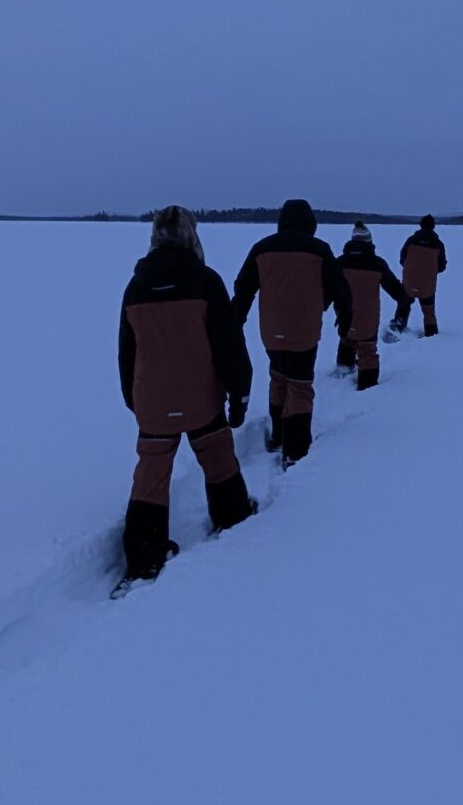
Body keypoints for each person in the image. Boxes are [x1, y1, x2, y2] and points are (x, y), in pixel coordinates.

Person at [118, 206, 255, 582]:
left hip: (153, 402)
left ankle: (143, 555)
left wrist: (135, 401)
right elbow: (230, 345)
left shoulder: (136, 287)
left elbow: (126, 353)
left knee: (151, 472)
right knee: (218, 457)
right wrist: (239, 394)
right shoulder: (207, 282)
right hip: (202, 401)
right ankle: (233, 520)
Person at [231, 198, 353, 464]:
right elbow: (341, 289)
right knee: (300, 386)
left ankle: (278, 436)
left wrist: (235, 322)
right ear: (310, 223)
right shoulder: (319, 250)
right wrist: (343, 319)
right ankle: (295, 451)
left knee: (279, 377)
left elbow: (243, 289)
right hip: (304, 331)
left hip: (271, 331)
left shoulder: (261, 248)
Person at [335, 221, 410, 388]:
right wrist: (405, 299)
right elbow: (395, 289)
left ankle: (341, 376)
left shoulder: (339, 263)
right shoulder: (377, 264)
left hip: (344, 316)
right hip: (367, 319)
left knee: (346, 342)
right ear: (369, 242)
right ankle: (367, 387)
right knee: (368, 351)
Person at [397, 214, 447, 336]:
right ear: (433, 226)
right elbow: (442, 266)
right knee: (429, 311)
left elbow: (402, 259)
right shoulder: (438, 244)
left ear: (421, 225)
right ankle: (431, 335)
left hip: (409, 280)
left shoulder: (411, 240)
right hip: (428, 283)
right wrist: (429, 271)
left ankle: (397, 331)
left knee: (403, 306)